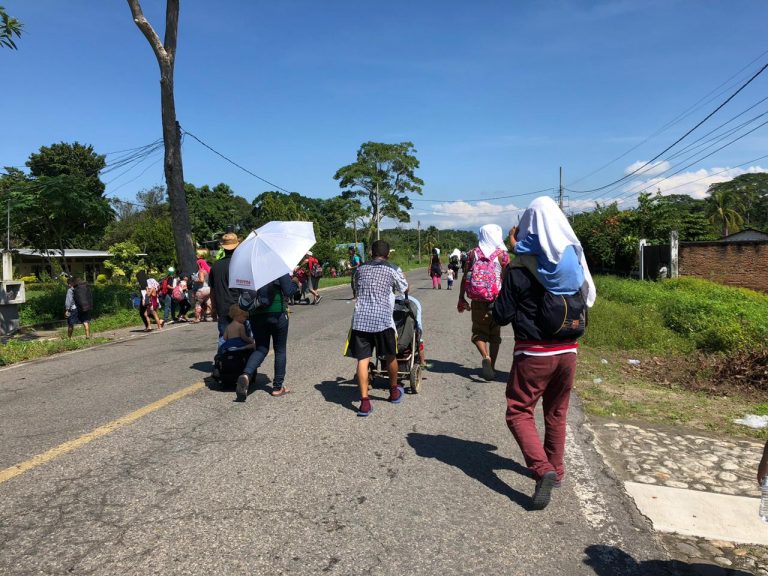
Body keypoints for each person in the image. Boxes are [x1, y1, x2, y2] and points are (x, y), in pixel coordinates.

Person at [492, 196, 596, 510]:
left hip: (533, 354)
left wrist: (507, 269)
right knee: (556, 412)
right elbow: (588, 298)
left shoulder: (519, 269)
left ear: (527, 227)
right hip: (569, 351)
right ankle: (558, 470)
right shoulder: (573, 263)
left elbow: (501, 315)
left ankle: (542, 469)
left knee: (519, 411)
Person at [345, 239, 409, 416]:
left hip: (361, 319)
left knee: (363, 360)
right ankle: (394, 391)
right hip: (382, 320)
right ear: (387, 254)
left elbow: (356, 289)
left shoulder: (359, 269)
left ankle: (365, 402)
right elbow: (404, 288)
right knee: (390, 356)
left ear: (371, 253)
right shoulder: (393, 268)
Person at [457, 224, 510, 380]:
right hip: (497, 300)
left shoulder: (472, 253)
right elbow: (508, 279)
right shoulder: (503, 255)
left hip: (478, 300)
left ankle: (485, 356)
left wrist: (461, 297)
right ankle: (492, 366)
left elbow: (466, 276)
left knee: (478, 333)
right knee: (495, 335)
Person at [236, 274, 300, 402]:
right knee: (280, 350)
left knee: (261, 349)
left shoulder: (250, 270)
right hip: (277, 313)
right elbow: (289, 291)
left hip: (255, 314)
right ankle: (277, 387)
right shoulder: (276, 266)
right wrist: (295, 282)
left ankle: (246, 374)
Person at [209, 232, 241, 338]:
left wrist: (213, 308)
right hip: (239, 307)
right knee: (243, 339)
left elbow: (212, 290)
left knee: (224, 338)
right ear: (237, 246)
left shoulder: (215, 266)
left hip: (222, 308)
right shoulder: (240, 263)